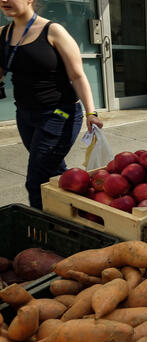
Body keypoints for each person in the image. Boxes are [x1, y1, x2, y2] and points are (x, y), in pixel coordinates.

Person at [0, 0, 103, 209]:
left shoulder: (53, 31)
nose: (4, 0)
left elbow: (78, 76)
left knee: (36, 180)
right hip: (25, 114)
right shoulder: (3, 34)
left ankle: (43, 232)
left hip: (59, 114)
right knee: (53, 172)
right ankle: (76, 213)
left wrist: (91, 113)